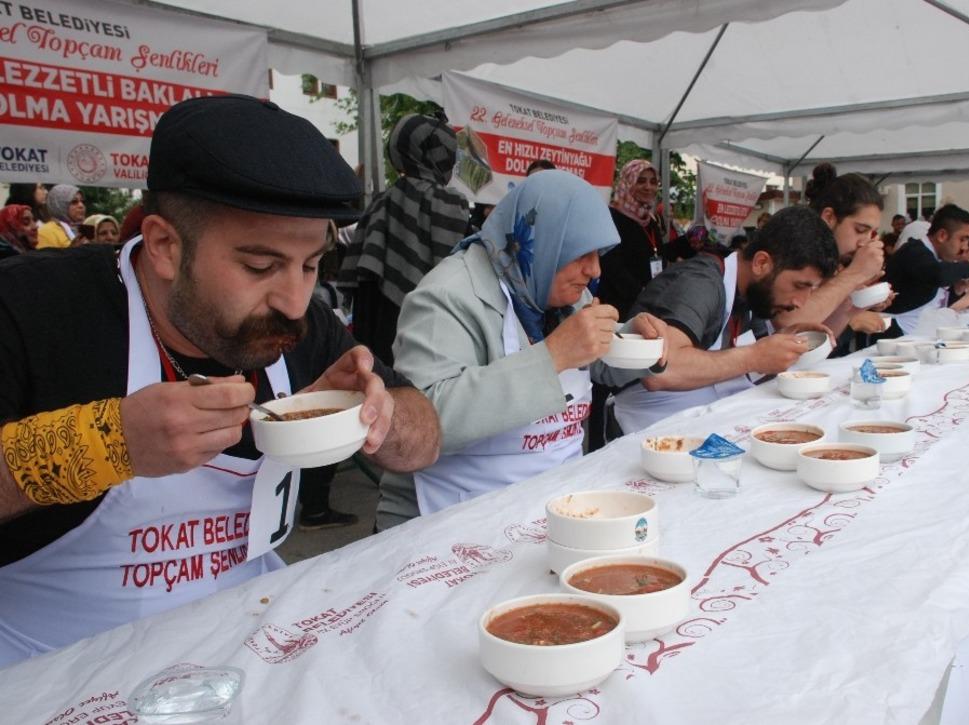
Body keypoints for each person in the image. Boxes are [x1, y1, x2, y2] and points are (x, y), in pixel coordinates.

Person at [0, 94, 441, 666]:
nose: (293, 301)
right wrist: (106, 443)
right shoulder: (31, 308)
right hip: (52, 667)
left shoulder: (306, 327)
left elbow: (426, 439)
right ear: (165, 246)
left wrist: (374, 419)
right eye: (260, 266)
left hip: (244, 640)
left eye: (311, 265)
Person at [378, 171, 667, 529]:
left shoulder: (551, 286)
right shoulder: (445, 296)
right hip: (450, 518)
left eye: (598, 254)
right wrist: (553, 356)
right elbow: (423, 421)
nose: (594, 270)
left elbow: (595, 361)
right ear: (540, 240)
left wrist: (636, 343)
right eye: (581, 253)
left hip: (546, 504)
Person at [613, 207, 838, 434]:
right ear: (761, 263)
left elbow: (745, 366)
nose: (801, 302)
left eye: (811, 289)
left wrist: (780, 347)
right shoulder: (702, 283)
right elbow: (661, 372)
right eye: (799, 286)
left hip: (697, 422)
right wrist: (756, 356)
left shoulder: (752, 295)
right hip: (645, 430)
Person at [338, 114, 471, 366]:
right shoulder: (454, 207)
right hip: (438, 339)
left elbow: (364, 279)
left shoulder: (381, 203)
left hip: (377, 339)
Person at [774, 163, 887, 338]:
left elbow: (819, 337)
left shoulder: (830, 260)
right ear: (829, 217)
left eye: (871, 233)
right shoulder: (794, 248)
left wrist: (853, 306)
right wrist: (855, 274)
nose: (864, 242)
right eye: (860, 230)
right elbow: (789, 322)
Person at [883, 204, 969, 335]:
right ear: (942, 235)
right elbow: (938, 275)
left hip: (920, 331)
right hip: (894, 333)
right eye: (962, 240)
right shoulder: (914, 251)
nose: (965, 247)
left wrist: (957, 289)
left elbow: (936, 305)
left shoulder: (936, 257)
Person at [597, 159, 665, 320]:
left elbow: (660, 253)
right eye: (641, 181)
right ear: (628, 182)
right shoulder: (613, 217)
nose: (648, 187)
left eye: (653, 182)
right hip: (617, 308)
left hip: (647, 306)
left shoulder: (649, 220)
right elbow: (611, 264)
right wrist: (640, 292)